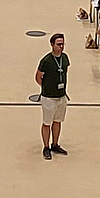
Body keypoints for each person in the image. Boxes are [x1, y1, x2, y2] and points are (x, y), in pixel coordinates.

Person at [36, 32, 71, 160]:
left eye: (62, 44)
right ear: (52, 44)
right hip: (49, 97)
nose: (61, 47)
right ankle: (46, 147)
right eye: (58, 44)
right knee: (47, 123)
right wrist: (46, 88)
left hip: (61, 96)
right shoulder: (46, 61)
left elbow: (64, 72)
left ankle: (55, 144)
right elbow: (38, 77)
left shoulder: (65, 58)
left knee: (58, 121)